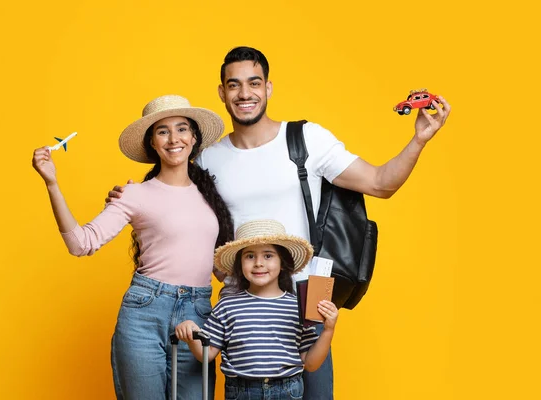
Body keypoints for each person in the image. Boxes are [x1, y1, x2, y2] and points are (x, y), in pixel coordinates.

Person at [107, 46, 452, 399]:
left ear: (268, 88)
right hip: (242, 300)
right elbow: (172, 195)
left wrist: (418, 140)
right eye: (234, 85)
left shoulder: (306, 139)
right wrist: (129, 197)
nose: (244, 94)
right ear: (222, 93)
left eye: (254, 83)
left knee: (315, 393)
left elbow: (381, 183)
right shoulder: (209, 159)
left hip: (310, 290)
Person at [32, 94, 234, 400]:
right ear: (152, 143)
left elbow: (220, 267)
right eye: (162, 131)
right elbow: (80, 244)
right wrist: (52, 184)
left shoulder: (212, 195)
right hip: (144, 314)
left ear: (194, 137)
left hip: (198, 313)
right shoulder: (134, 194)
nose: (173, 138)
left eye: (181, 129)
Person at [175, 219, 339, 400]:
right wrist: (192, 334)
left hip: (287, 391)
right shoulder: (227, 306)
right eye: (250, 256)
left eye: (268, 255)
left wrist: (328, 330)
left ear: (282, 262)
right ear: (240, 264)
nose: (259, 263)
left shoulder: (297, 306)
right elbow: (207, 355)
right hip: (241, 392)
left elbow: (310, 363)